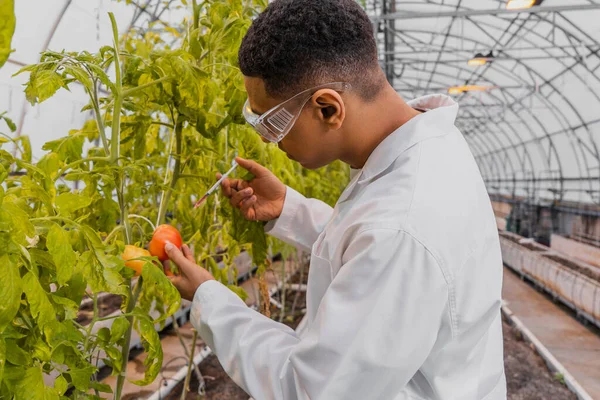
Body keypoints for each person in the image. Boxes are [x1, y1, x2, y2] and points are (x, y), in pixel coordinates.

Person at [163, 0, 507, 398]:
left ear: (328, 107)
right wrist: (290, 210)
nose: (264, 138)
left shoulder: (401, 226)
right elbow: (369, 244)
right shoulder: (429, 148)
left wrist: (209, 297)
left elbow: (308, 389)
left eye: (271, 121)